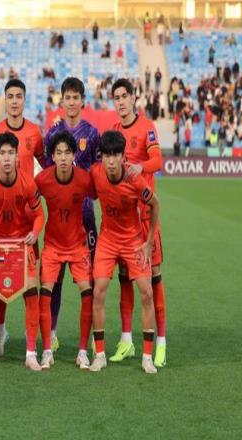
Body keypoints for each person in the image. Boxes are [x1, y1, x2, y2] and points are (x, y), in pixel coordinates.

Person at [0, 131, 45, 371]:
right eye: (2, 153)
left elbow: (39, 214)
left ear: (16, 157)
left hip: (21, 244)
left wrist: (35, 233)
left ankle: (31, 353)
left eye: (10, 153)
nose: (6, 158)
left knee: (31, 289)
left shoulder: (27, 183)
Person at [89, 130, 159, 374]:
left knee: (147, 293)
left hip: (132, 240)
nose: (110, 161)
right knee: (98, 292)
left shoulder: (134, 179)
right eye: (106, 155)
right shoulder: (95, 173)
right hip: (107, 240)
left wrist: (149, 242)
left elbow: (155, 204)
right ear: (102, 156)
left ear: (122, 156)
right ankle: (99, 355)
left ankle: (147, 357)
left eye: (115, 155)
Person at [0, 79, 44, 356]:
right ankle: (0, 333)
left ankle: (35, 342)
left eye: (19, 96)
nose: (15, 101)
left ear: (25, 99)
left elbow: (46, 165)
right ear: (5, 100)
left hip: (27, 220)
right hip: (0, 221)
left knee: (30, 283)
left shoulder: (34, 132)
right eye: (10, 96)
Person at [111, 78, 166, 368]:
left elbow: (158, 161)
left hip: (145, 216)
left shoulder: (146, 127)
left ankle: (161, 343)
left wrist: (139, 166)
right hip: (124, 219)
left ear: (133, 98)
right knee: (125, 277)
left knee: (153, 278)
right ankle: (126, 340)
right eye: (116, 97)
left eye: (124, 96)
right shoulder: (115, 130)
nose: (121, 101)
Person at [43, 77, 101, 353]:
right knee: (54, 281)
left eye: (76, 97)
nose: (72, 102)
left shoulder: (92, 133)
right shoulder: (53, 134)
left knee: (90, 282)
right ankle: (52, 333)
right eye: (68, 97)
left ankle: (93, 336)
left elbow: (98, 173)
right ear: (62, 100)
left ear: (82, 101)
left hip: (85, 218)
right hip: (58, 218)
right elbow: (46, 172)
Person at [35, 131, 94, 370]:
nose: (62, 158)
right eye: (58, 153)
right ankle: (47, 351)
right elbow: (27, 201)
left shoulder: (84, 179)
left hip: (78, 245)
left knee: (87, 294)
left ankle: (83, 352)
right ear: (52, 156)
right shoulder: (42, 180)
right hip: (52, 246)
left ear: (73, 156)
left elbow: (101, 194)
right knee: (45, 294)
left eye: (67, 153)